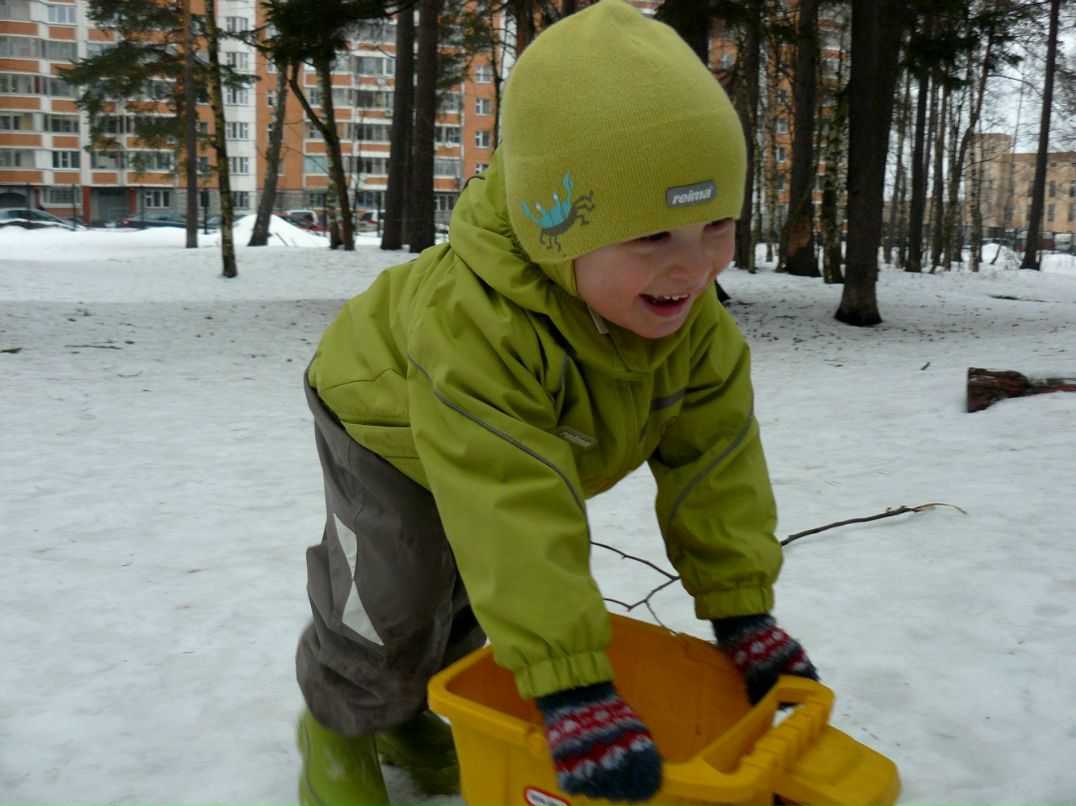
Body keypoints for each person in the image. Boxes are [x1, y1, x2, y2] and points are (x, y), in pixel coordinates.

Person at [294, 1, 818, 803]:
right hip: (381, 422)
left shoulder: (693, 326)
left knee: (468, 598)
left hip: (487, 450)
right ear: (557, 234)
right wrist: (572, 686)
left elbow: (717, 463)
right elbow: (511, 503)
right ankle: (339, 725)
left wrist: (742, 611)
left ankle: (405, 712)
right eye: (653, 236)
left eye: (718, 225)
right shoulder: (479, 325)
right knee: (393, 595)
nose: (694, 267)